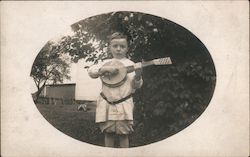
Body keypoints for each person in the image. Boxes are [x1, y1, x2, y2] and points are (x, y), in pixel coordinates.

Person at [88, 32, 143, 148]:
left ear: (127, 48)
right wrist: (104, 69)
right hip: (107, 104)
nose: (118, 49)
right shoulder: (105, 62)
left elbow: (136, 86)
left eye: (122, 46)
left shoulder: (131, 64)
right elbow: (91, 72)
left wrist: (138, 76)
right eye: (115, 46)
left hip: (123, 104)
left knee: (123, 135)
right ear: (110, 47)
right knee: (108, 134)